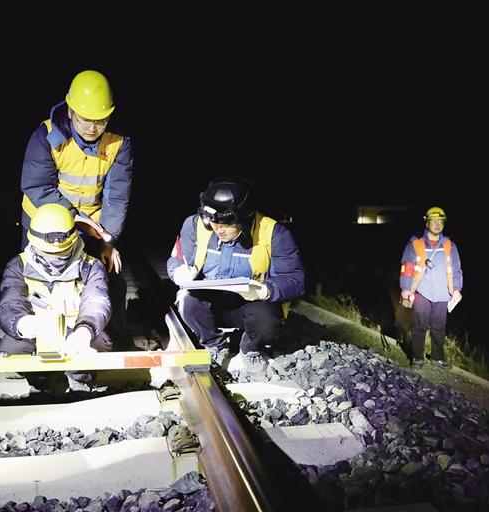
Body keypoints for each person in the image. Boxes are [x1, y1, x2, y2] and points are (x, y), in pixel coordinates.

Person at [19, 69, 132, 346]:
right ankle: (30, 340)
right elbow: (37, 187)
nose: (92, 128)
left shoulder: (119, 141)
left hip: (93, 224)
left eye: (101, 121)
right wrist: (76, 220)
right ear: (70, 111)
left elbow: (117, 196)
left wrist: (108, 241)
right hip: (45, 225)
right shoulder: (45, 135)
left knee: (110, 273)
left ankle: (111, 340)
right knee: (35, 281)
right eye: (85, 119)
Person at [166, 176, 305, 376]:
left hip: (250, 304)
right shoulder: (195, 225)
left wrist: (266, 290)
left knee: (267, 317)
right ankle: (213, 344)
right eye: (214, 222)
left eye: (226, 224)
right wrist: (178, 271)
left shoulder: (273, 233)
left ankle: (250, 349)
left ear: (244, 219)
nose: (218, 230)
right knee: (188, 300)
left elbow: (294, 280)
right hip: (212, 306)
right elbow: (177, 258)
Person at [0, 203, 112, 391]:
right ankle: (41, 381)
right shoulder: (18, 265)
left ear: (73, 241)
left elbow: (97, 302)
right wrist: (21, 323)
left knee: (99, 342)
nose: (54, 257)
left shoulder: (91, 266)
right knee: (11, 347)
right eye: (48, 253)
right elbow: (10, 302)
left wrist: (84, 331)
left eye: (61, 253)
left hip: (74, 330)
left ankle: (80, 381)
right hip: (37, 331)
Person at [399, 206, 463, 369]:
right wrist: (405, 288)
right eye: (433, 221)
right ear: (426, 223)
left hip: (443, 293)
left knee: (439, 327)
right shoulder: (415, 243)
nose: (437, 225)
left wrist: (456, 289)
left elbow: (456, 269)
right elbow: (407, 267)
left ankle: (437, 358)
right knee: (419, 326)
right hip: (422, 292)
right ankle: (417, 358)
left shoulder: (449, 245)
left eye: (440, 222)